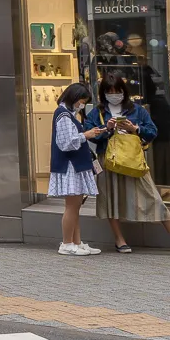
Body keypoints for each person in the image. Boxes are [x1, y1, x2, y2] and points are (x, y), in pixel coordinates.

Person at [88, 75, 170, 254]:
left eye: (117, 91)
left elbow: (152, 131)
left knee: (153, 196)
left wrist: (135, 129)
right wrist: (107, 128)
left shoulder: (136, 110)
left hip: (133, 160)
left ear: (124, 91)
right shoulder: (96, 112)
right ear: (103, 93)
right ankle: (119, 239)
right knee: (110, 199)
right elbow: (91, 134)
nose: (114, 95)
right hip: (108, 160)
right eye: (109, 92)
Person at [50, 82, 107, 256]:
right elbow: (66, 142)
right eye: (81, 101)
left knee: (75, 207)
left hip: (74, 166)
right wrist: (86, 135)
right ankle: (67, 243)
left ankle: (76, 242)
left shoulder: (68, 114)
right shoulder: (63, 116)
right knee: (72, 206)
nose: (81, 105)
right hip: (71, 166)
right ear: (73, 98)